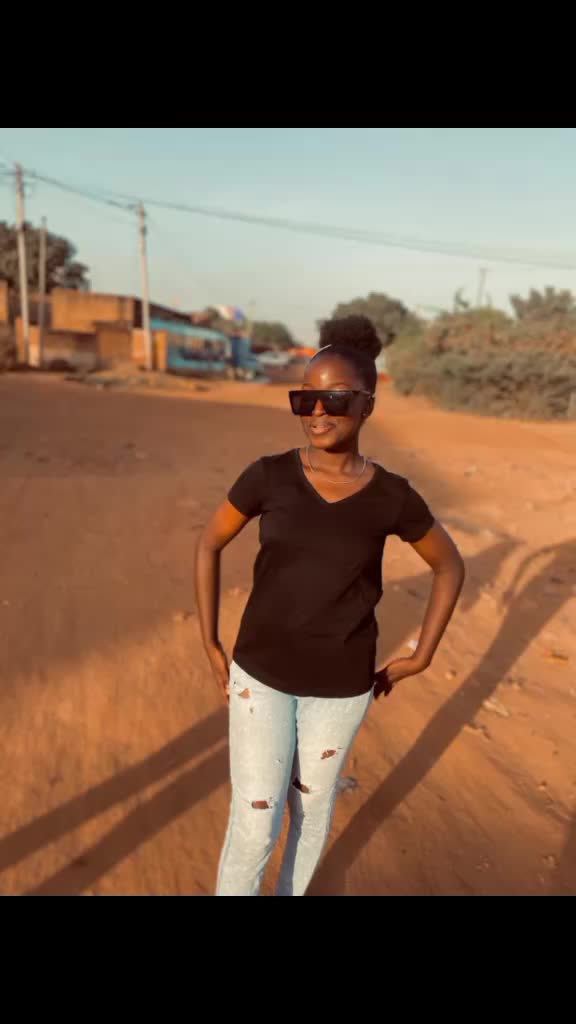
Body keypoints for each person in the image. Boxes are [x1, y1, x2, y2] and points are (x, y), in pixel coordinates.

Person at [195, 315, 465, 896]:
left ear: (368, 404)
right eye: (305, 398)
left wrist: (421, 656)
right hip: (260, 676)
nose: (318, 412)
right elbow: (209, 543)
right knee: (255, 822)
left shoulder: (392, 495)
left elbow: (449, 565)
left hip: (341, 690)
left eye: (336, 398)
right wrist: (210, 641)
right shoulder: (268, 476)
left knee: (311, 814)